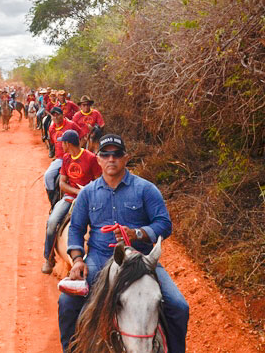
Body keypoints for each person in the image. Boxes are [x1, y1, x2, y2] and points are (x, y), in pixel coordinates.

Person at [58, 134, 189, 353]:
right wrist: (78, 260)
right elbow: (76, 229)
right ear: (98, 159)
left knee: (178, 306)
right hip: (99, 260)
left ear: (126, 158)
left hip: (142, 261)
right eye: (106, 154)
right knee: (67, 304)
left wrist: (137, 233)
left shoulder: (146, 189)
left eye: (116, 154)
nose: (111, 159)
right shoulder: (88, 194)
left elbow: (164, 224)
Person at [41, 130, 101, 274]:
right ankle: (49, 258)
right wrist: (78, 192)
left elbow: (100, 181)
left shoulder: (91, 158)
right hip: (69, 198)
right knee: (51, 223)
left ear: (68, 143)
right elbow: (62, 183)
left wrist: (87, 193)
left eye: (63, 142)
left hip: (90, 200)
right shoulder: (66, 158)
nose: (61, 145)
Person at [43, 107, 82, 207]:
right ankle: (53, 201)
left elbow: (82, 137)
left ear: (62, 115)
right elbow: (53, 142)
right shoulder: (51, 129)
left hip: (75, 156)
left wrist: (78, 151)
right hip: (60, 159)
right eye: (53, 115)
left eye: (57, 115)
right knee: (48, 176)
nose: (55, 117)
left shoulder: (71, 125)